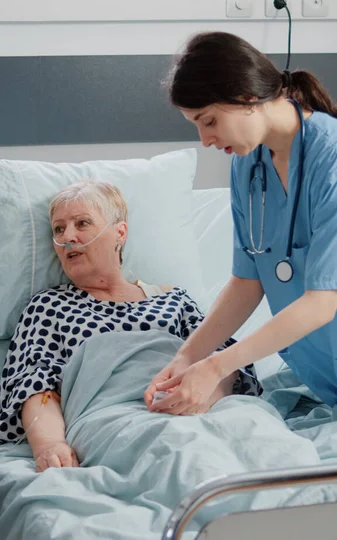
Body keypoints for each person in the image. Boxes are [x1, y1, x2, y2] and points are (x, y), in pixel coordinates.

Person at [0, 179, 261, 472]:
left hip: (200, 408)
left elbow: (225, 359)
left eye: (82, 223)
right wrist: (50, 445)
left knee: (259, 442)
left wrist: (201, 400)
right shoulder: (47, 306)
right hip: (113, 418)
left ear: (119, 233)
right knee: (179, 457)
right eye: (58, 229)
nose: (67, 237)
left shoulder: (174, 299)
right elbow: (34, 385)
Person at [144, 31, 337, 416]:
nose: (205, 139)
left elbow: (322, 302)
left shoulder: (330, 159)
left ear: (247, 96)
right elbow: (247, 282)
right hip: (325, 380)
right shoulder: (248, 166)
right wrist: (186, 358)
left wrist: (216, 365)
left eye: (209, 120)